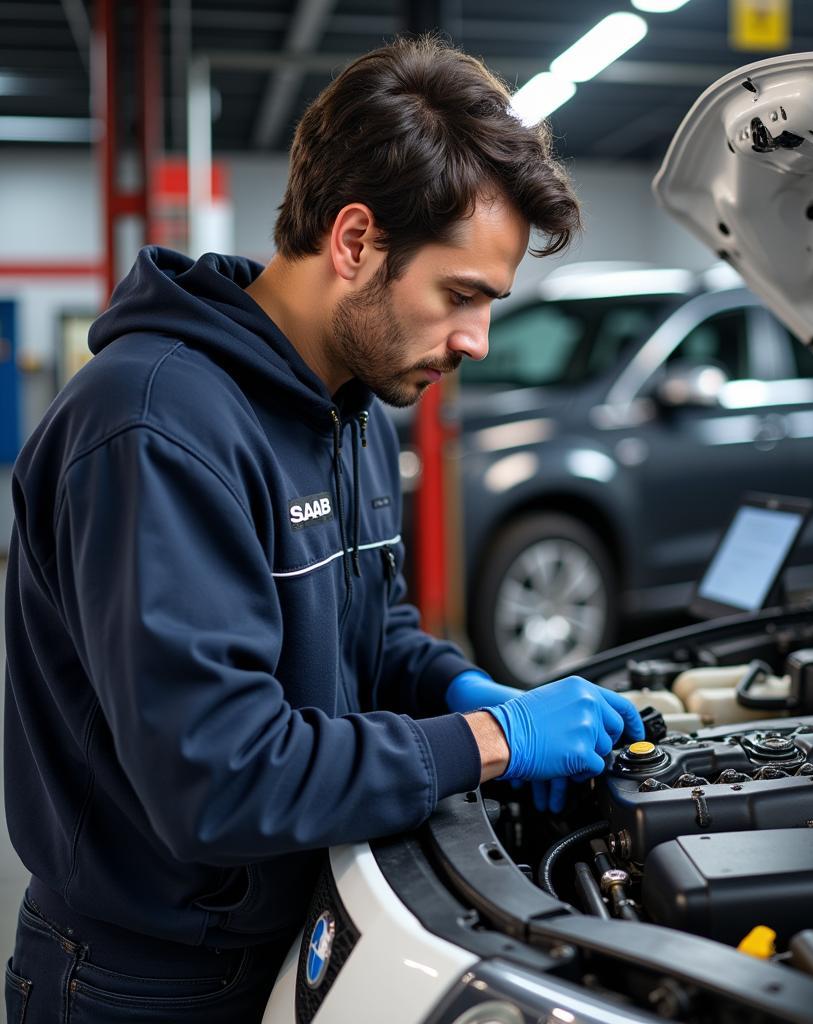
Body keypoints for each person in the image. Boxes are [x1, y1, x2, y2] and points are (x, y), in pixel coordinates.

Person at [3, 35, 644, 1023]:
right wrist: (488, 741)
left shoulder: (349, 412)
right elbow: (217, 777)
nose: (476, 339)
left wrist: (464, 687)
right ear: (354, 242)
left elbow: (372, 633)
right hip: (140, 980)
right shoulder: (155, 428)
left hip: (292, 924)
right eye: (459, 295)